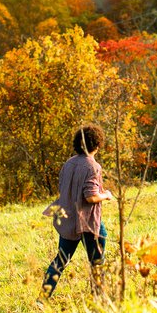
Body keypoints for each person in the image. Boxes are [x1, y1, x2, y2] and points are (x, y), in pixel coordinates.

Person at [38, 125, 113, 303]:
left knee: (60, 260)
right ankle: (99, 299)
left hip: (68, 219)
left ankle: (42, 299)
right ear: (97, 144)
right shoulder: (93, 167)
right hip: (88, 222)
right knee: (97, 262)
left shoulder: (69, 163)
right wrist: (106, 195)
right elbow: (90, 197)